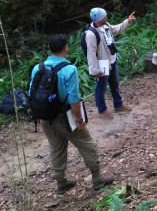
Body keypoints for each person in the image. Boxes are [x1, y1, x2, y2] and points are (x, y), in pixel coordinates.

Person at [29, 34, 115, 194]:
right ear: (66, 48)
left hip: (46, 118)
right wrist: (79, 120)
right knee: (87, 144)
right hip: (65, 117)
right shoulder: (69, 69)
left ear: (50, 48)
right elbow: (74, 99)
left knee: (56, 148)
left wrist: (39, 114)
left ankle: (61, 183)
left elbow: (32, 93)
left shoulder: (38, 68)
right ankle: (97, 178)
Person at [86, 8, 136, 119]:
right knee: (101, 87)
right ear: (98, 19)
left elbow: (115, 29)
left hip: (112, 60)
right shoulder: (91, 34)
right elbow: (91, 53)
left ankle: (118, 104)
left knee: (115, 83)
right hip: (102, 65)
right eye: (104, 16)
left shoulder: (106, 25)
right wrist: (95, 70)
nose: (107, 18)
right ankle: (102, 110)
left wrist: (127, 21)